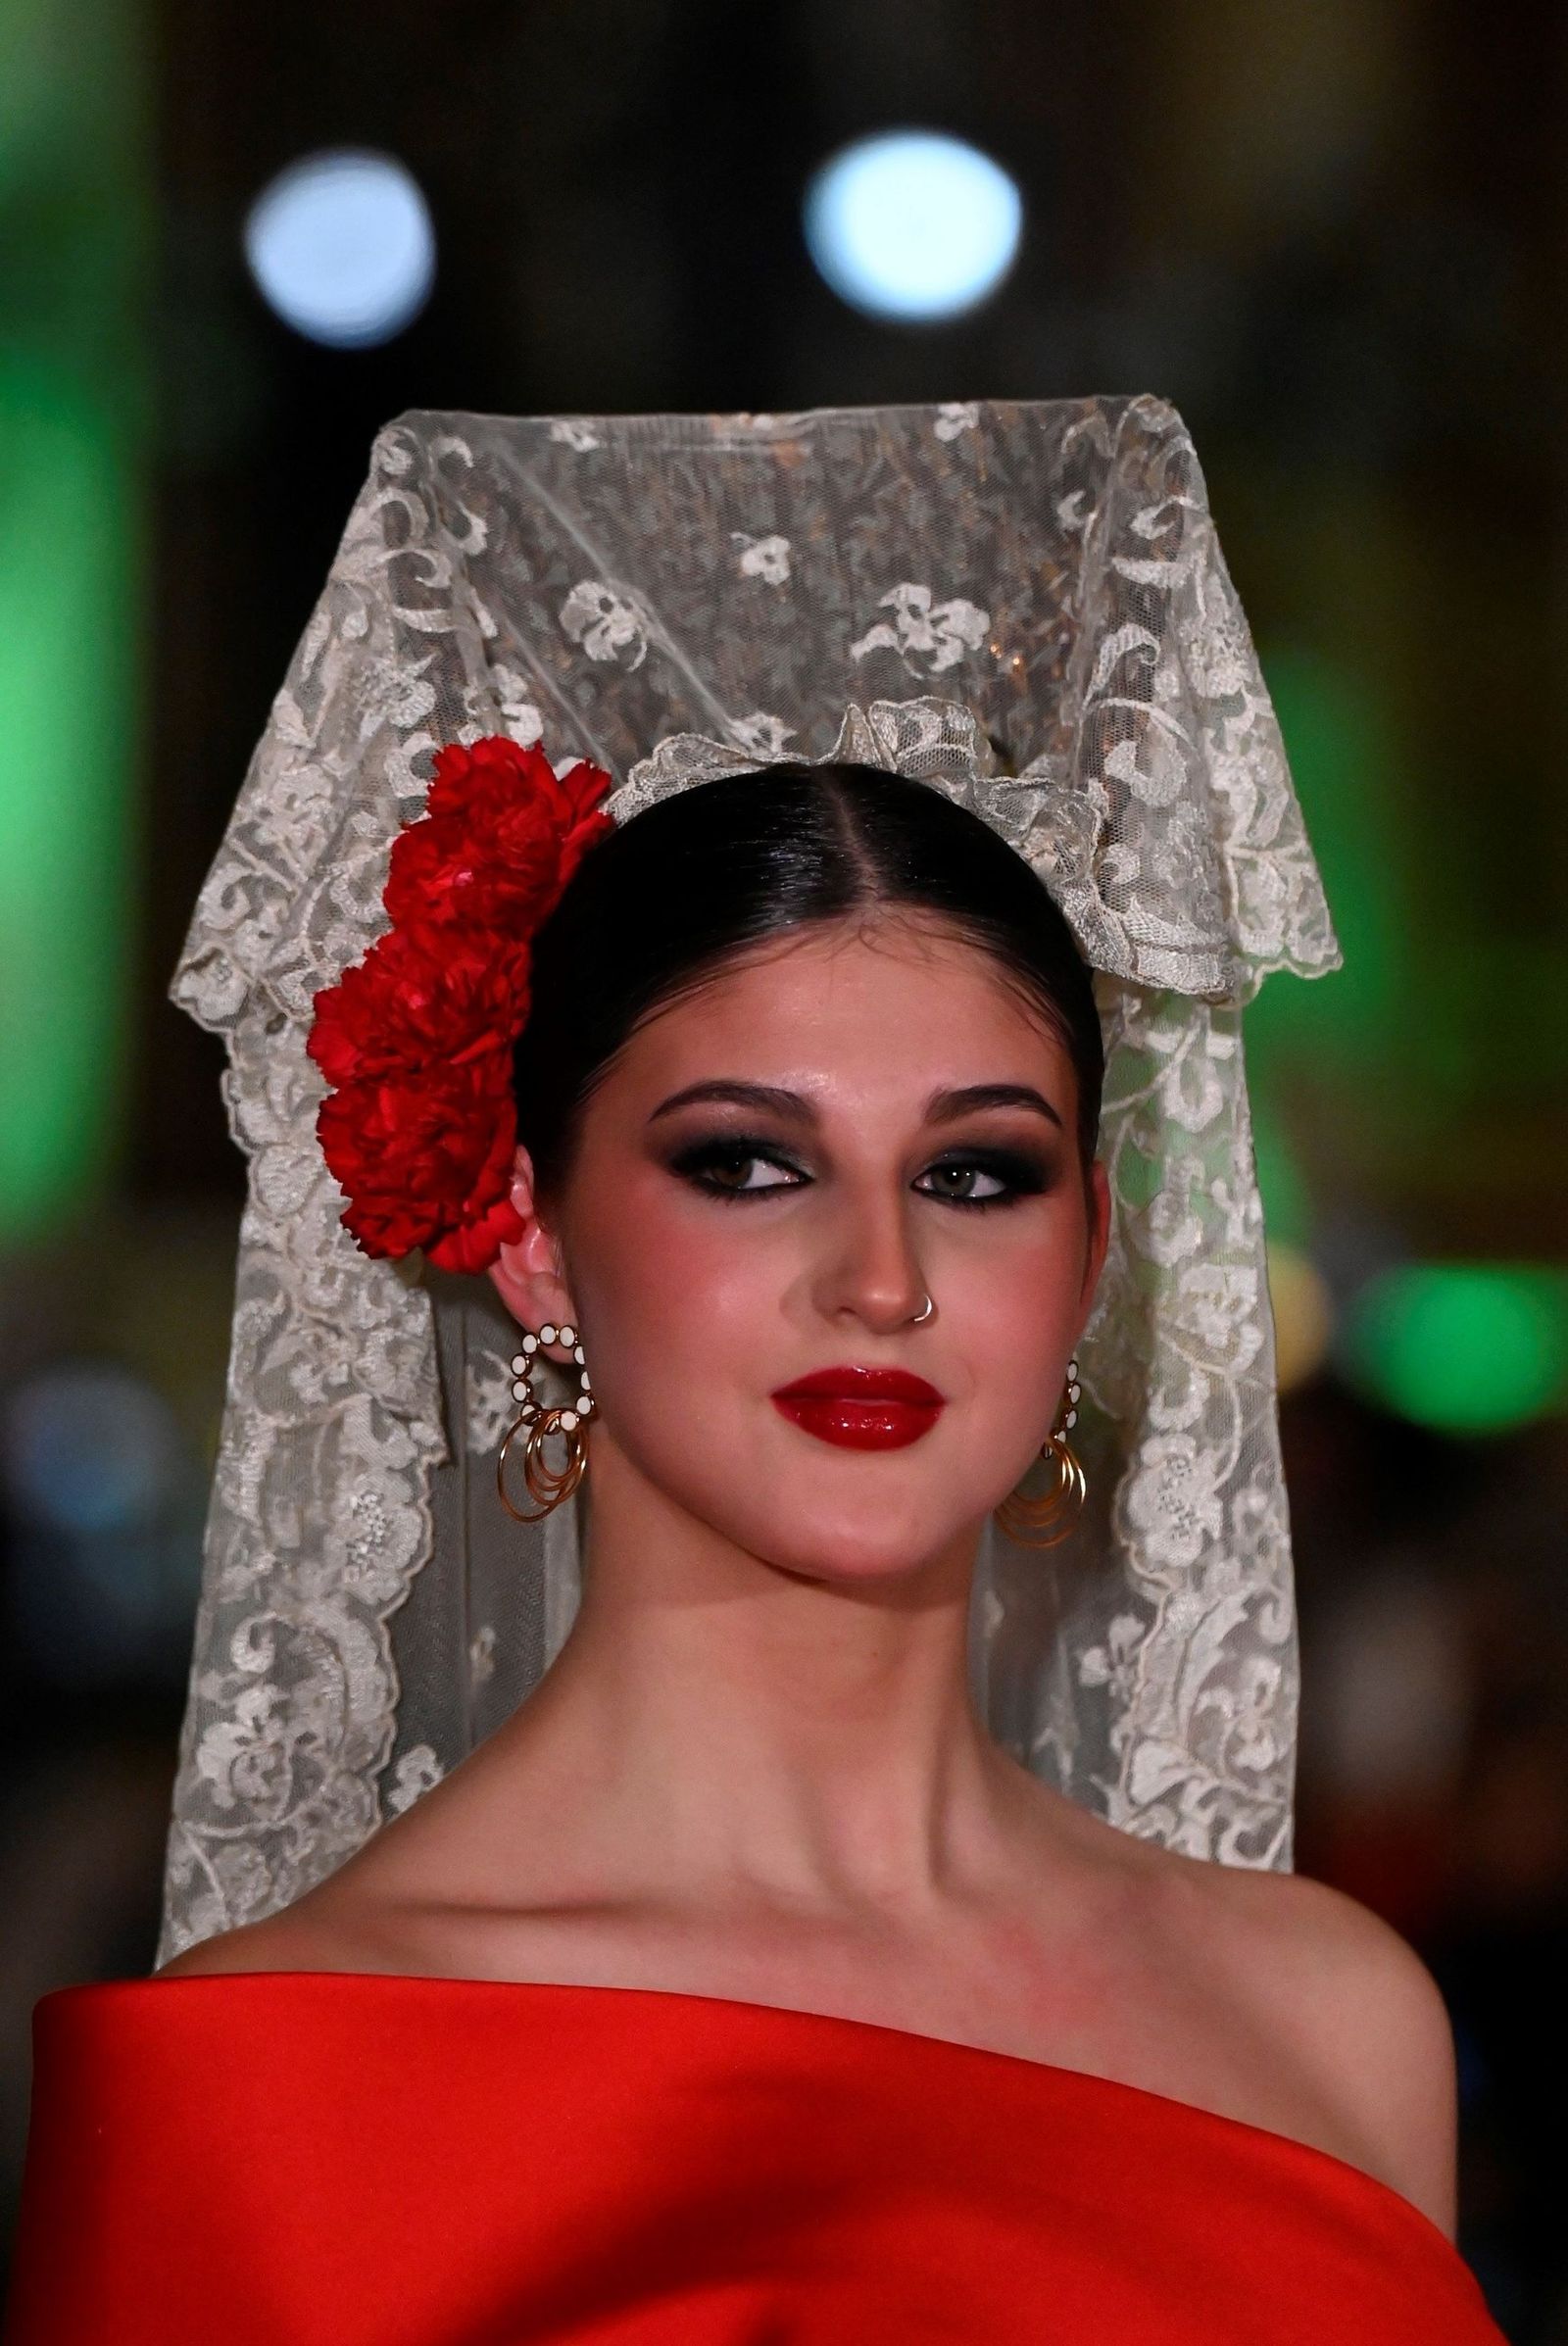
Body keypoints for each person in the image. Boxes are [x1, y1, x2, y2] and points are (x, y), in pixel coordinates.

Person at [1, 400, 1508, 2342]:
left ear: (1090, 1256)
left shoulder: (1328, 2021)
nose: (876, 1277)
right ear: (528, 1231)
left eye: (974, 1173)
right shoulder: (274, 2080)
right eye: (742, 1162)